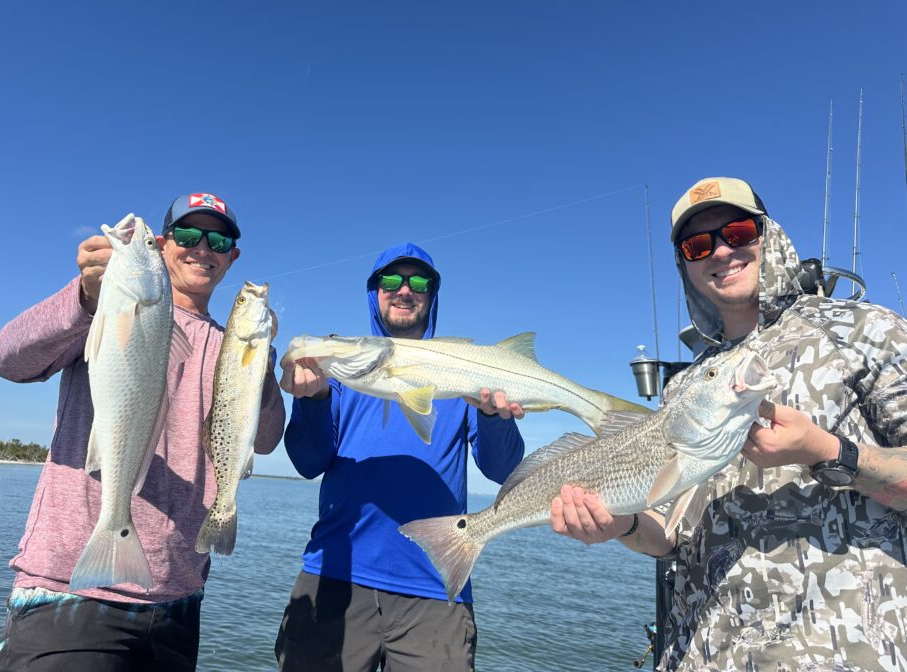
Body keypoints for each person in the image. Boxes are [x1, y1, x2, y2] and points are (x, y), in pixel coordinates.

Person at [549, 177, 907, 670]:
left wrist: (827, 451)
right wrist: (619, 524)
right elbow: (669, 532)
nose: (720, 252)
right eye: (698, 245)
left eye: (736, 232)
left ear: (768, 235)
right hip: (699, 655)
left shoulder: (865, 330)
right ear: (685, 266)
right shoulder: (684, 386)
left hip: (844, 654)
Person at [0, 192, 286, 671]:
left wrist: (260, 366)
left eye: (219, 239)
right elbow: (8, 360)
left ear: (233, 256)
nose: (202, 249)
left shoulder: (231, 344)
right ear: (166, 244)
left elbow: (267, 440)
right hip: (68, 592)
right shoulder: (101, 307)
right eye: (188, 236)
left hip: (177, 599)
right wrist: (84, 297)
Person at [275, 242, 526, 671]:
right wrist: (313, 399)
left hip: (435, 585)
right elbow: (307, 462)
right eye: (390, 281)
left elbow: (502, 469)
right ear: (374, 292)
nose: (404, 290)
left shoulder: (460, 372)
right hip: (336, 571)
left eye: (418, 282)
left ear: (432, 294)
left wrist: (494, 416)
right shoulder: (342, 372)